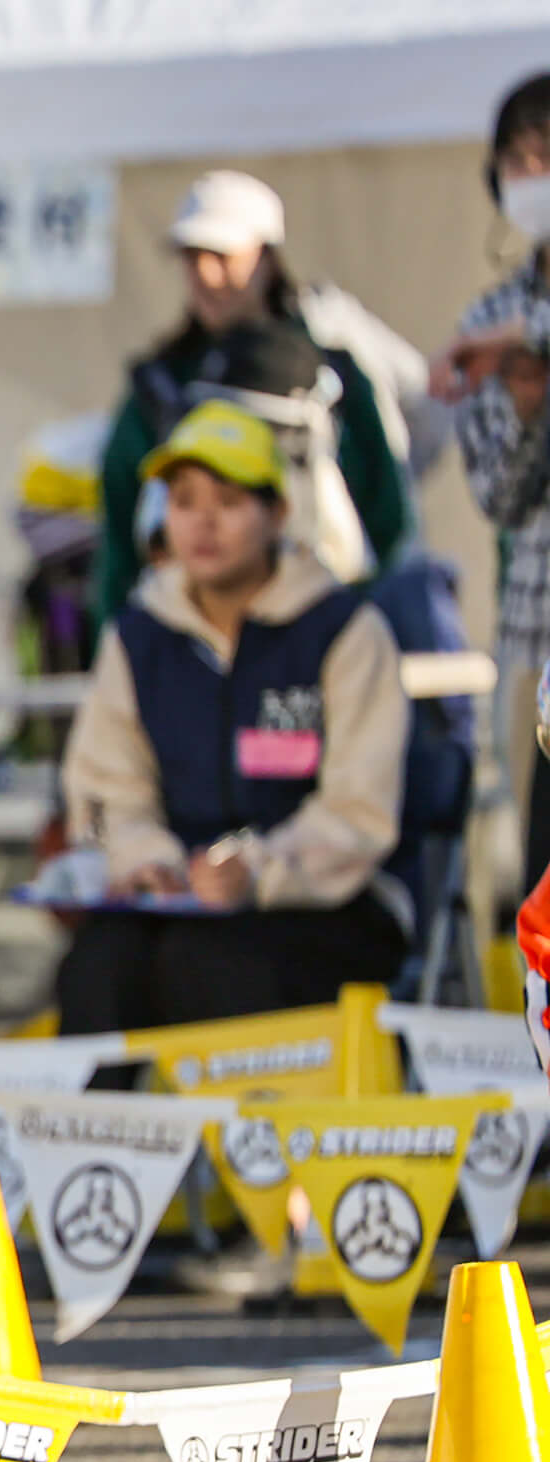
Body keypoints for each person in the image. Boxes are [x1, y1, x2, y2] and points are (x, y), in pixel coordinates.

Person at [56, 402, 409, 1032]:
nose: (204, 523)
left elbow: (360, 810)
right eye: (185, 500)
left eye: (229, 499)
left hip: (321, 905)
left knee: (212, 965)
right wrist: (146, 860)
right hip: (175, 908)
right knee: (97, 967)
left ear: (278, 512)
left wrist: (257, 870)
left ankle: (247, 1132)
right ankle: (99, 1134)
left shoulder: (346, 631)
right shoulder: (137, 635)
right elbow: (107, 789)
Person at [91, 172, 414, 627]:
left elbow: (386, 510)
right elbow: (121, 535)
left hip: (319, 625)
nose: (206, 275)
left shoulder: (331, 375)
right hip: (191, 637)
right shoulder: (159, 386)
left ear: (268, 258)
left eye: (222, 256)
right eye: (192, 257)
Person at [435, 75, 550, 883]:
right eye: (518, 160)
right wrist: (527, 402)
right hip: (535, 637)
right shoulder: (487, 322)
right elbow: (499, 498)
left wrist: (533, 337)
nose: (534, 176)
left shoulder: (507, 328)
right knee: (540, 871)